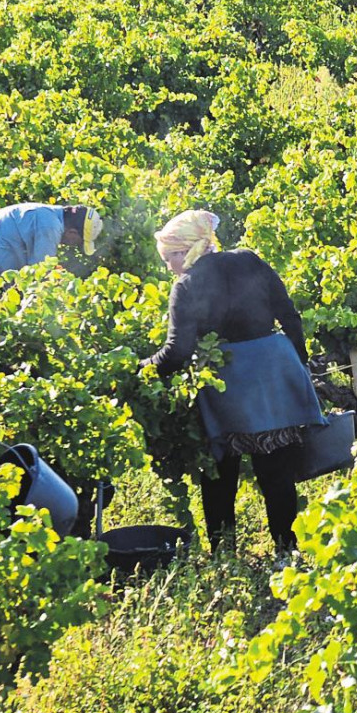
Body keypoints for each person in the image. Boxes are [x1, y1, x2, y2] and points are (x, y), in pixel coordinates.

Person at [147, 209, 324, 552]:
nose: (169, 265)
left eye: (170, 257)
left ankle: (223, 553)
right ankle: (287, 550)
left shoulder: (187, 286)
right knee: (276, 472)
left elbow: (177, 351)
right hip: (271, 376)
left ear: (186, 250)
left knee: (219, 474)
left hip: (227, 383)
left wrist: (141, 369)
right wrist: (297, 365)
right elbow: (288, 315)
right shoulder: (249, 261)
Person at [0, 203, 102, 304]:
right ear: (73, 232)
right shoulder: (50, 226)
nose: (73, 246)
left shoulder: (47, 215)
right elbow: (39, 276)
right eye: (79, 242)